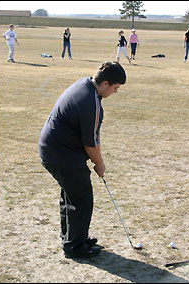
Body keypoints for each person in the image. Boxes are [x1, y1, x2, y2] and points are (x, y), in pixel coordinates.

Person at [38, 61, 126, 259]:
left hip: (54, 151)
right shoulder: (91, 103)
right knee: (82, 199)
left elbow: (93, 135)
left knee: (71, 195)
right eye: (115, 88)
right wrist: (99, 164)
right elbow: (91, 145)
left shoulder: (84, 84)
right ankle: (75, 246)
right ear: (105, 84)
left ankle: (73, 237)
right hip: (61, 155)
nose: (115, 92)